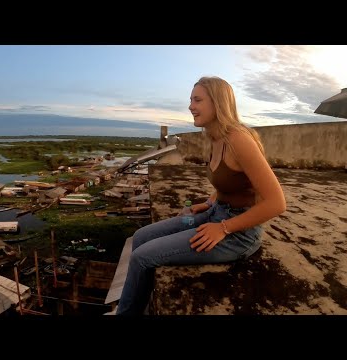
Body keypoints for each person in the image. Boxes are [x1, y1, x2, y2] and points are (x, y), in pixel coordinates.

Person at [116, 76, 286, 315]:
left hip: (238, 234)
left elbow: (277, 203)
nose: (190, 106)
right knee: (141, 236)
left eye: (197, 100)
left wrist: (224, 228)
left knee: (142, 257)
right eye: (191, 100)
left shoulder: (239, 140)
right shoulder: (215, 138)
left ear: (218, 103)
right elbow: (228, 181)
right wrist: (209, 202)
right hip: (215, 213)